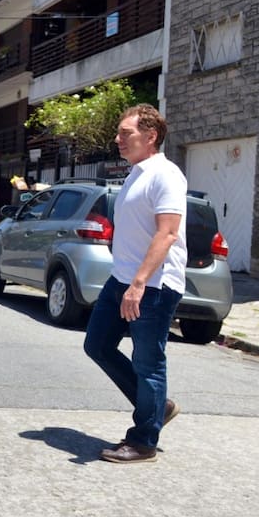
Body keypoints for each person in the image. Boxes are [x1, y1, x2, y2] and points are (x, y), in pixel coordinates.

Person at [84, 104, 186, 463]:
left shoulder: (165, 175)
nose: (118, 139)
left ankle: (143, 442)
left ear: (151, 136)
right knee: (97, 345)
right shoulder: (135, 174)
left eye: (125, 133)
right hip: (121, 280)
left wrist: (139, 283)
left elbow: (168, 233)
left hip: (153, 286)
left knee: (148, 362)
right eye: (119, 133)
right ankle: (157, 408)